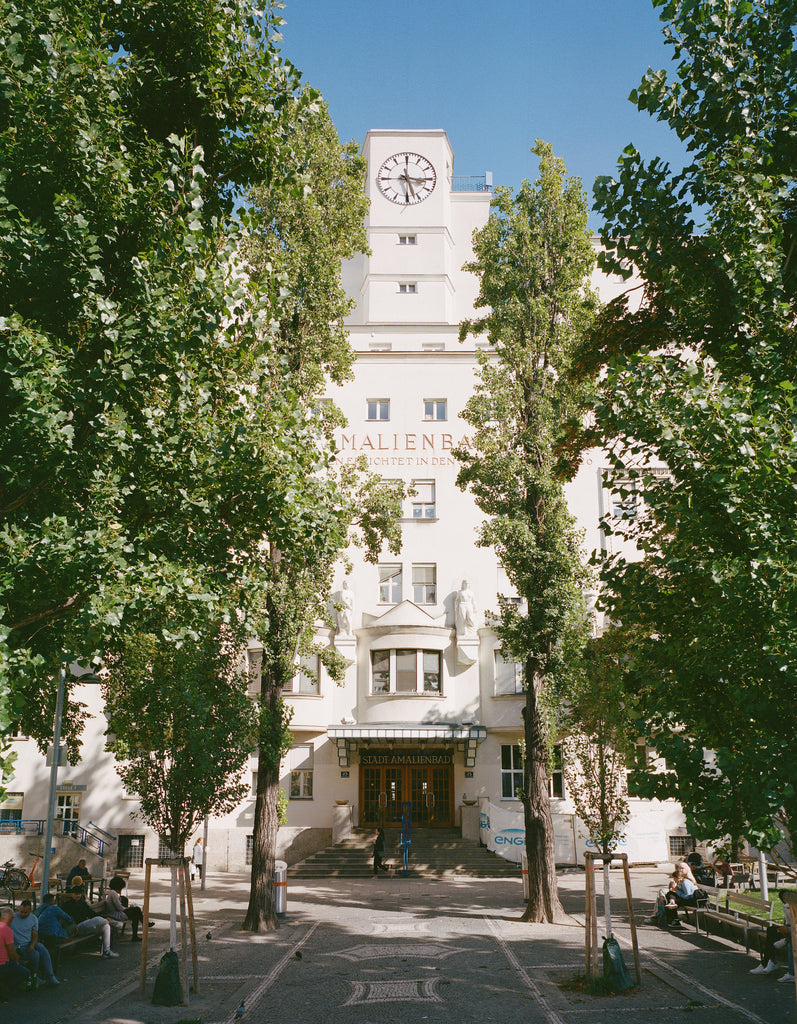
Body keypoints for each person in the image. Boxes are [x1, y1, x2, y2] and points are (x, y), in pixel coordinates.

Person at [61, 882, 119, 958]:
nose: (78, 895)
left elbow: (91, 913)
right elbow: (65, 918)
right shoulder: (67, 905)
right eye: (76, 894)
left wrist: (104, 917)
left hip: (87, 925)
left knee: (106, 926)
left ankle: (106, 952)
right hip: (77, 928)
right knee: (98, 920)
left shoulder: (82, 903)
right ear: (71, 894)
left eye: (79, 894)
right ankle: (114, 922)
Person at [11, 899, 59, 985]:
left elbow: (35, 934)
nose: (23, 914)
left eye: (25, 912)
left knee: (42, 948)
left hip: (29, 942)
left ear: (30, 910)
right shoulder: (13, 918)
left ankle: (51, 976)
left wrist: (32, 945)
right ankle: (34, 976)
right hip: (18, 945)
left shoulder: (33, 918)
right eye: (21, 911)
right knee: (36, 954)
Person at [750, 889, 795, 981]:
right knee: (771, 930)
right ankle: (768, 962)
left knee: (789, 938)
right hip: (791, 930)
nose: (785, 901)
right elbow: (788, 922)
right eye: (783, 899)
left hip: (794, 932)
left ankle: (769, 962)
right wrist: (783, 928)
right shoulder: (786, 906)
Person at [34, 892, 76, 974]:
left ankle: (64, 940)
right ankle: (65, 942)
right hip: (53, 936)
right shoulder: (54, 908)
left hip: (41, 935)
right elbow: (67, 918)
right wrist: (74, 923)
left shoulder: (37, 910)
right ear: (52, 901)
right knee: (73, 927)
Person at [649, 861, 699, 928]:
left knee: (671, 899)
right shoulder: (683, 880)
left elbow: (688, 896)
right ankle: (669, 918)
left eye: (682, 868)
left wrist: (677, 891)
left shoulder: (685, 882)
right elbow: (681, 891)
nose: (680, 870)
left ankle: (673, 919)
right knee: (670, 895)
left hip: (693, 901)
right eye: (679, 868)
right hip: (689, 898)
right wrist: (675, 890)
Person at [106, 875, 152, 940]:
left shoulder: (113, 893)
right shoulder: (113, 893)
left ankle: (136, 934)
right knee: (137, 910)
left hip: (118, 912)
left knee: (136, 914)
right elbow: (119, 907)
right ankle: (145, 923)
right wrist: (127, 908)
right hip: (116, 914)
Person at [0, 905, 30, 996]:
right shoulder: (7, 930)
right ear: (12, 918)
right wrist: (16, 960)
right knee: (25, 972)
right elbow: (11, 952)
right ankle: (5, 988)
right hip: (3, 964)